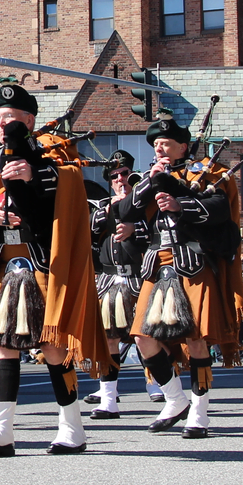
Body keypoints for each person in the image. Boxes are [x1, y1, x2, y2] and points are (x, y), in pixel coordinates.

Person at [0, 82, 106, 456]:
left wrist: (32, 178)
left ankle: (72, 427)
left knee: (52, 348)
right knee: (5, 345)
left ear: (29, 120)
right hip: (9, 266)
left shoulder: (54, 154)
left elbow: (69, 201)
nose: (2, 124)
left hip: (44, 262)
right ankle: (3, 430)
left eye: (10, 117)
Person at [126, 117, 241, 438]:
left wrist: (180, 203)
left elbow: (220, 207)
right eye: (155, 144)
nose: (159, 147)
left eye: (165, 143)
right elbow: (127, 213)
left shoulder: (205, 172)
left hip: (191, 260)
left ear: (183, 146)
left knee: (196, 339)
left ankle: (200, 414)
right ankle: (175, 400)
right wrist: (151, 182)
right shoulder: (151, 177)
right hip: (157, 262)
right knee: (142, 337)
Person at [86, 150, 141, 418]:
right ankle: (109, 399)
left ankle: (162, 389)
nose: (120, 179)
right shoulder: (102, 206)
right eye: (114, 175)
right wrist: (106, 213)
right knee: (110, 339)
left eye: (125, 174)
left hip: (140, 277)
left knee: (148, 337)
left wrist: (135, 223)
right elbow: (89, 235)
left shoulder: (146, 202)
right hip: (109, 278)